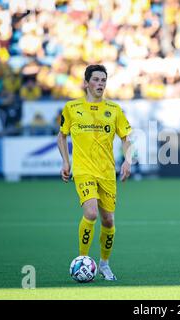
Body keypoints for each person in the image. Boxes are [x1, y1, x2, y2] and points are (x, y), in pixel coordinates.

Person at [57, 64, 132, 281]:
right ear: (86, 82)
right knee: (90, 213)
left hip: (107, 172)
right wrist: (65, 161)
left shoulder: (114, 110)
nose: (100, 84)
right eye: (96, 79)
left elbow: (127, 138)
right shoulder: (72, 108)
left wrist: (128, 160)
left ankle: (104, 264)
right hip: (83, 171)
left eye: (103, 80)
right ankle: (82, 260)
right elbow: (61, 136)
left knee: (108, 221)